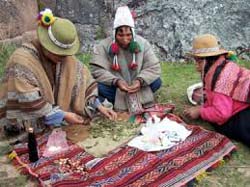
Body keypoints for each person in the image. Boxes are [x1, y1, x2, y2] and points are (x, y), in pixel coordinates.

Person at [0, 9, 117, 136]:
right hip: (22, 128)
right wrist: (63, 115)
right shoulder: (21, 62)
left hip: (53, 122)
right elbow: (27, 102)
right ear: (45, 45)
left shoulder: (65, 59)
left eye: (65, 54)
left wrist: (98, 106)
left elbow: (84, 80)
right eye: (58, 53)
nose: (63, 58)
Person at [90, 6, 161, 113]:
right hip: (116, 88)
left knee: (157, 82)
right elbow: (97, 70)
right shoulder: (104, 46)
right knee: (99, 87)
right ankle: (133, 98)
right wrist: (116, 81)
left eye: (128, 35)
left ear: (133, 33)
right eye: (120, 35)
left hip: (138, 86)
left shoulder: (143, 43)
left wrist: (140, 81)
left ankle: (123, 98)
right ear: (115, 33)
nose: (125, 40)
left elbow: (153, 67)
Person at [183, 34, 250, 147]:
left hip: (243, 113)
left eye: (198, 62)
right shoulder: (224, 66)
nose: (196, 67)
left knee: (221, 124)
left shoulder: (219, 82)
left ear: (207, 61)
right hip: (244, 104)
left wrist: (200, 111)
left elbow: (222, 114)